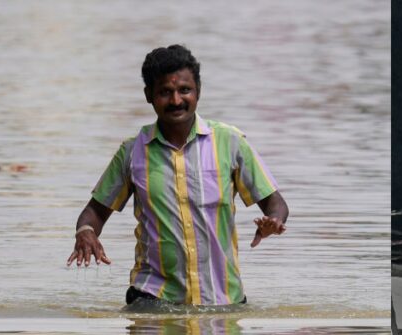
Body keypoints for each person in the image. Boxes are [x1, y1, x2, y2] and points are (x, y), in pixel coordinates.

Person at [67, 45, 289, 307]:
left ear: (198, 91)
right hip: (151, 300)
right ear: (149, 95)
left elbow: (276, 203)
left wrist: (273, 221)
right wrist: (86, 231)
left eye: (184, 90)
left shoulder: (230, 143)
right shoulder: (132, 152)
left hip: (222, 302)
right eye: (164, 92)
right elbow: (94, 212)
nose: (176, 101)